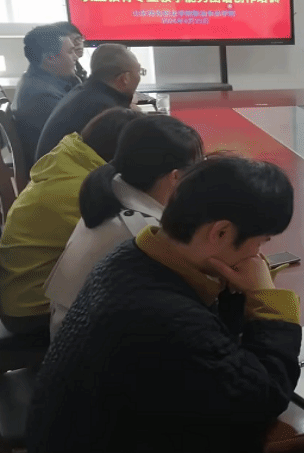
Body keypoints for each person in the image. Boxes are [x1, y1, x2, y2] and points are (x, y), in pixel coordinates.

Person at [27, 156, 304, 453]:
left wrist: (235, 290)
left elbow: (212, 348)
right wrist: (269, 303)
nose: (259, 255)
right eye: (261, 241)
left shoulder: (137, 257)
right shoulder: (161, 316)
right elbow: (262, 397)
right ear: (220, 233)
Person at [45, 115, 203, 338]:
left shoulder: (111, 193)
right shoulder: (145, 232)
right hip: (87, 344)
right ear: (175, 177)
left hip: (69, 329)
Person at [0, 108, 141, 334]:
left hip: (21, 297)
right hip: (33, 312)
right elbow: (131, 243)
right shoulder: (84, 189)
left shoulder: (70, 161)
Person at [35, 44, 144, 160]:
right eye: (139, 71)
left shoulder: (86, 92)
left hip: (53, 168)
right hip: (68, 170)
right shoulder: (105, 109)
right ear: (124, 78)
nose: (139, 76)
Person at [11, 24, 81, 170]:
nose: (75, 57)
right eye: (70, 52)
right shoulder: (43, 97)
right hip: (56, 168)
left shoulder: (35, 80)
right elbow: (80, 135)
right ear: (50, 58)